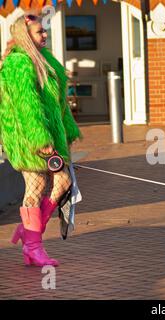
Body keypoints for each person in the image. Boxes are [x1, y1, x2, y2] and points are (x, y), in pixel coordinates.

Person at [0, 13, 81, 267]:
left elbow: (59, 105)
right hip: (28, 137)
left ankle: (29, 232)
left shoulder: (43, 59)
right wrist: (40, 139)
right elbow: (27, 107)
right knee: (34, 189)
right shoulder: (18, 63)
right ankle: (33, 246)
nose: (44, 35)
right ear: (25, 35)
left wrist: (66, 131)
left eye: (44, 31)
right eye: (39, 32)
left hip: (48, 135)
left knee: (63, 181)